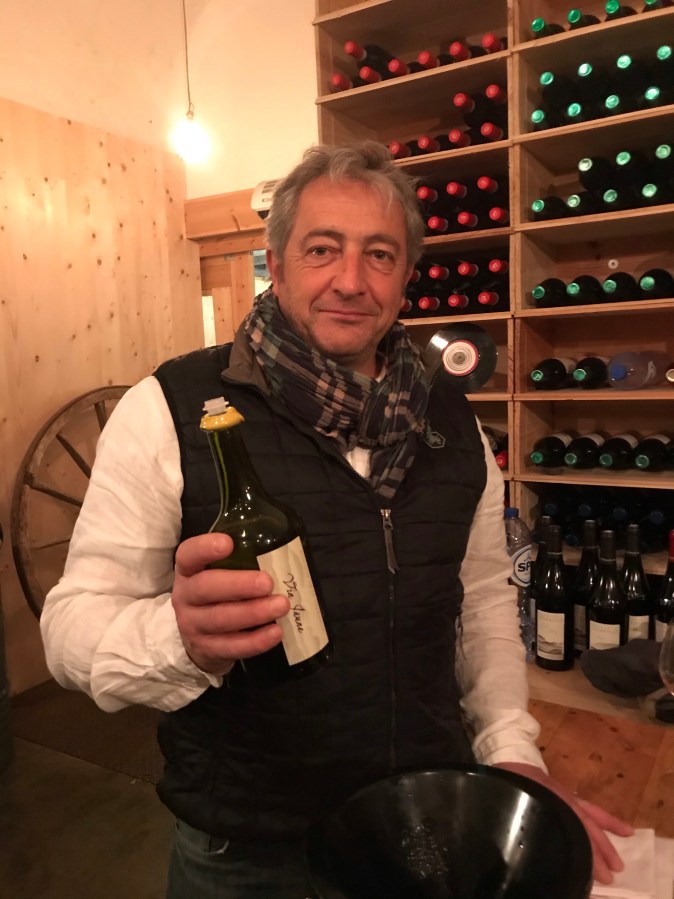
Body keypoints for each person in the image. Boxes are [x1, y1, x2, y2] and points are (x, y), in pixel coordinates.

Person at [41, 141, 632, 897]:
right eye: (322, 249)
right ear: (278, 264)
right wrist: (177, 638)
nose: (350, 280)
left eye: (379, 254)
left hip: (428, 821)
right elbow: (70, 630)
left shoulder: (454, 423)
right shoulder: (170, 408)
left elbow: (484, 598)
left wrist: (512, 752)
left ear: (406, 278)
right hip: (248, 852)